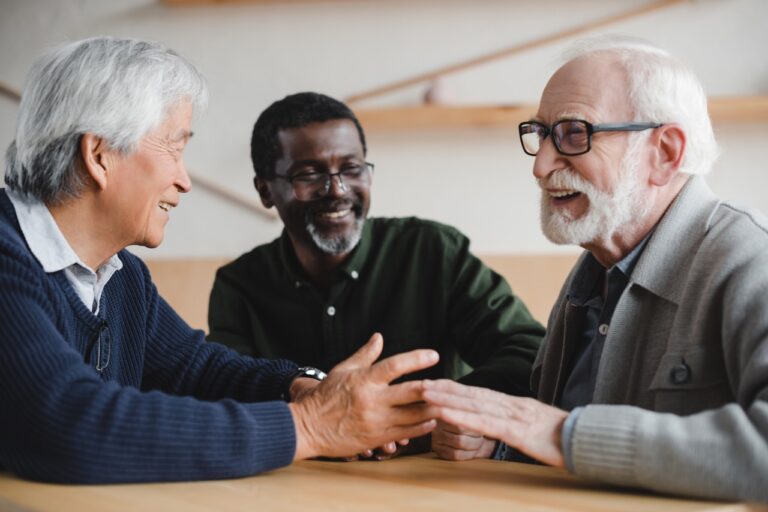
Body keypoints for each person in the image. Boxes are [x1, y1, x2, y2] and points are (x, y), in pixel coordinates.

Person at [0, 37, 441, 484]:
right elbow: (66, 425)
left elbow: (199, 370)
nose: (185, 180)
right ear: (100, 156)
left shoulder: (122, 275)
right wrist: (311, 426)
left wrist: (306, 388)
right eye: (175, 147)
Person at [422, 36, 768, 502]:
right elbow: (575, 454)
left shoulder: (751, 258)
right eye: (541, 134)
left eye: (573, 133)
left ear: (665, 152)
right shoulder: (594, 271)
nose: (541, 166)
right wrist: (502, 443)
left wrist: (556, 432)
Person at [206, 92, 545, 454]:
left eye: (352, 169)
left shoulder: (432, 251)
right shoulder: (240, 285)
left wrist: (424, 406)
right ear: (265, 190)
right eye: (309, 174)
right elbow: (224, 389)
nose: (336, 190)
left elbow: (530, 354)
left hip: (427, 482)